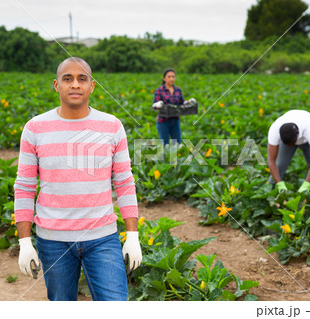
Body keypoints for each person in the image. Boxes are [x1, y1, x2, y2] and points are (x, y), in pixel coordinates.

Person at [14, 57, 142, 301]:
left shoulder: (112, 126)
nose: (75, 84)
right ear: (56, 85)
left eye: (81, 79)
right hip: (53, 241)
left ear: (91, 86)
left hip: (103, 238)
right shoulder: (35, 128)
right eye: (68, 78)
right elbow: (24, 187)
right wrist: (24, 242)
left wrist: (132, 236)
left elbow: (124, 182)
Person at [267, 109, 310, 193]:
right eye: (287, 144)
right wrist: (278, 183)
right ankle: (271, 195)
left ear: (298, 133)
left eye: (291, 143)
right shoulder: (274, 130)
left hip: (307, 140)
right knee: (279, 166)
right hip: (289, 138)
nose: (290, 146)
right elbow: (271, 160)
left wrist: (307, 183)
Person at [152, 68, 195, 145]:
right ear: (164, 78)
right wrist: (158, 104)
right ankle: (165, 157)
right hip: (163, 121)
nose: (171, 78)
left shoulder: (178, 90)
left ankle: (176, 157)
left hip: (175, 120)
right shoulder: (159, 90)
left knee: (178, 143)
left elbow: (181, 102)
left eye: (173, 76)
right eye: (169, 76)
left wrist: (188, 102)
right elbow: (154, 105)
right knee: (165, 145)